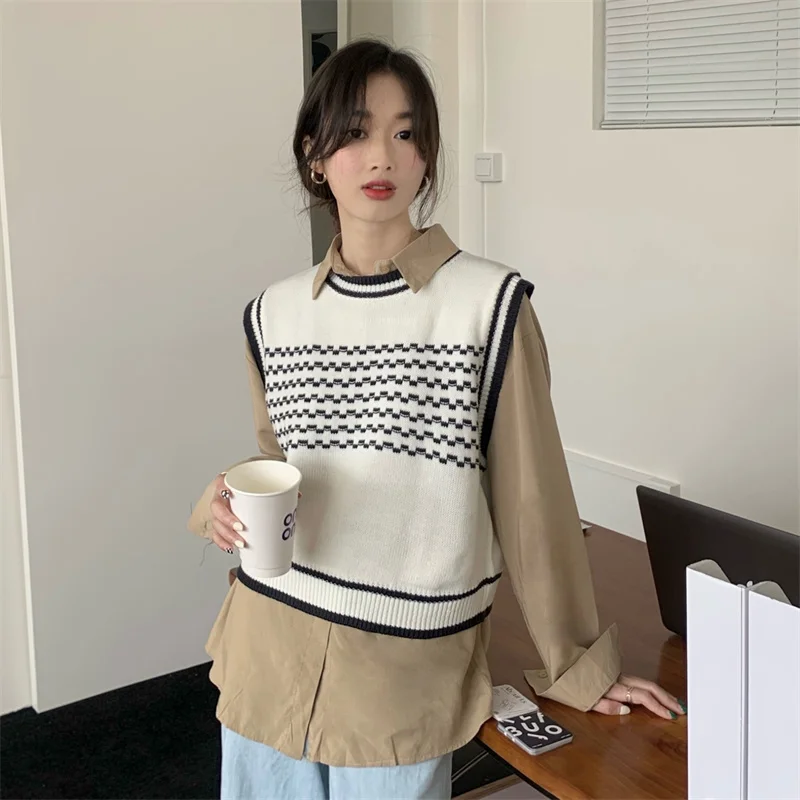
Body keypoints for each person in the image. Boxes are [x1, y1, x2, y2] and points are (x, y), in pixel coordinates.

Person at [188, 38, 685, 800]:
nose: (381, 155)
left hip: (399, 677)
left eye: (406, 132)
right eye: (355, 132)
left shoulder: (489, 308)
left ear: (427, 157)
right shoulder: (271, 315)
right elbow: (280, 465)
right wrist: (219, 499)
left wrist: (578, 664)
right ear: (314, 154)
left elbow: (533, 503)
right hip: (267, 655)